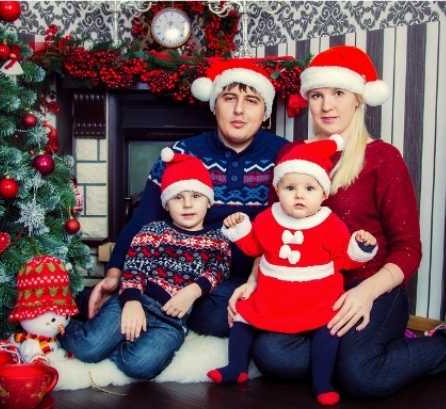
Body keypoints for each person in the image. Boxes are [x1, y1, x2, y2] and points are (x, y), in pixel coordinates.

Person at [228, 45, 446, 398]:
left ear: (358, 99)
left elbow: (408, 249)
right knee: (272, 354)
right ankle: (346, 354)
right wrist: (254, 280)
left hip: (370, 285)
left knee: (362, 378)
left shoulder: (383, 158)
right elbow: (272, 226)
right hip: (306, 290)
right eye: (317, 95)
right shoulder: (291, 155)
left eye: (338, 93)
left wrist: (365, 293)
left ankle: (437, 345)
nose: (326, 105)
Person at [65, 56, 289, 365]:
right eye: (229, 98)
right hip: (183, 273)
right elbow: (144, 219)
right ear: (215, 105)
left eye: (251, 101)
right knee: (213, 314)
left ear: (265, 111)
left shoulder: (283, 154)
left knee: (233, 314)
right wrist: (114, 273)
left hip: (249, 276)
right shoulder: (182, 153)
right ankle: (119, 309)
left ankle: (158, 319)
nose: (239, 110)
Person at [207, 135, 378, 406]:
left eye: (309, 188)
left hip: (317, 297)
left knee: (328, 330)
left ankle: (322, 383)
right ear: (278, 189)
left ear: (323, 194)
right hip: (272, 294)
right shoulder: (268, 218)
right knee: (242, 317)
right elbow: (254, 248)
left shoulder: (330, 224)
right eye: (290, 188)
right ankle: (236, 367)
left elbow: (346, 260)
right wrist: (240, 229)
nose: (299, 194)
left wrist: (361, 247)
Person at [60, 149, 231, 379]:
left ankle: (115, 346)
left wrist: (193, 290)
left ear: (209, 201)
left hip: (171, 321)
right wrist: (132, 301)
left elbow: (219, 268)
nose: (187, 204)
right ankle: (60, 323)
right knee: (89, 348)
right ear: (166, 204)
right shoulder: (154, 230)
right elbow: (134, 267)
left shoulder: (216, 240)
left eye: (196, 196)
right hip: (135, 300)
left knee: (141, 365)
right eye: (178, 197)